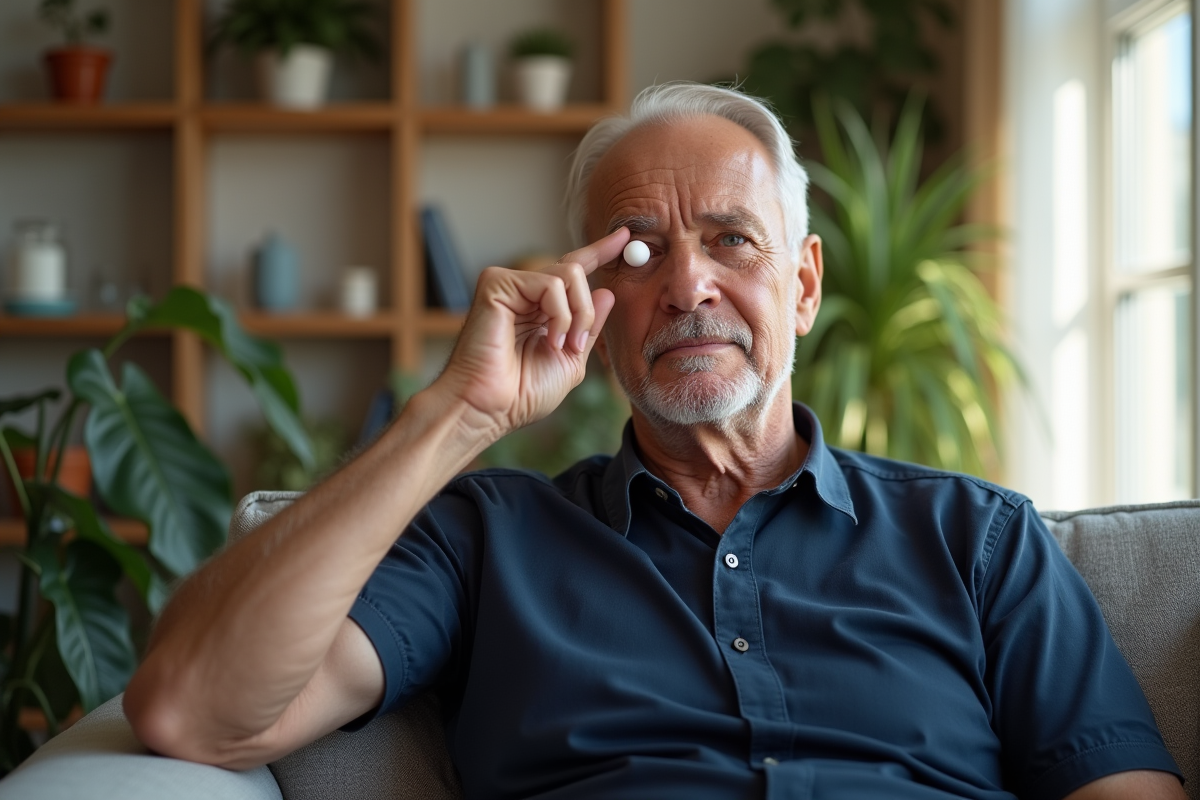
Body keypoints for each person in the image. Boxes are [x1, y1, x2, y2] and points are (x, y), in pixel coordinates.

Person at [124, 83, 1184, 800]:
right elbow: (190, 707)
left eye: (732, 239)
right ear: (590, 299)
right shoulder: (486, 540)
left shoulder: (977, 536)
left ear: (803, 284)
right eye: (638, 252)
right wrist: (461, 410)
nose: (688, 285)